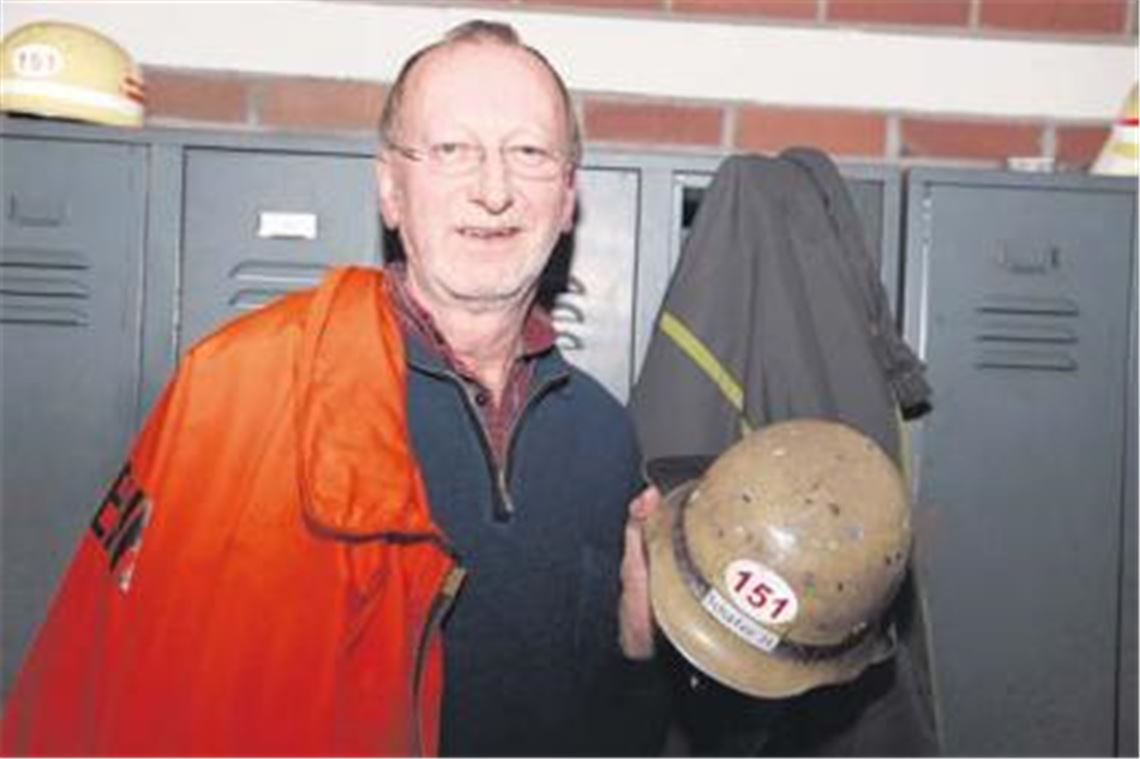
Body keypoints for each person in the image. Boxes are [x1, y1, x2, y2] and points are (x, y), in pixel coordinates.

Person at [1, 20, 668, 757]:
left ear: (569, 195)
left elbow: (601, 728)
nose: (494, 189)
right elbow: (116, 689)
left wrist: (637, 650)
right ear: (391, 188)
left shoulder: (604, 436)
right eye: (452, 150)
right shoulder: (249, 388)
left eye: (530, 153)